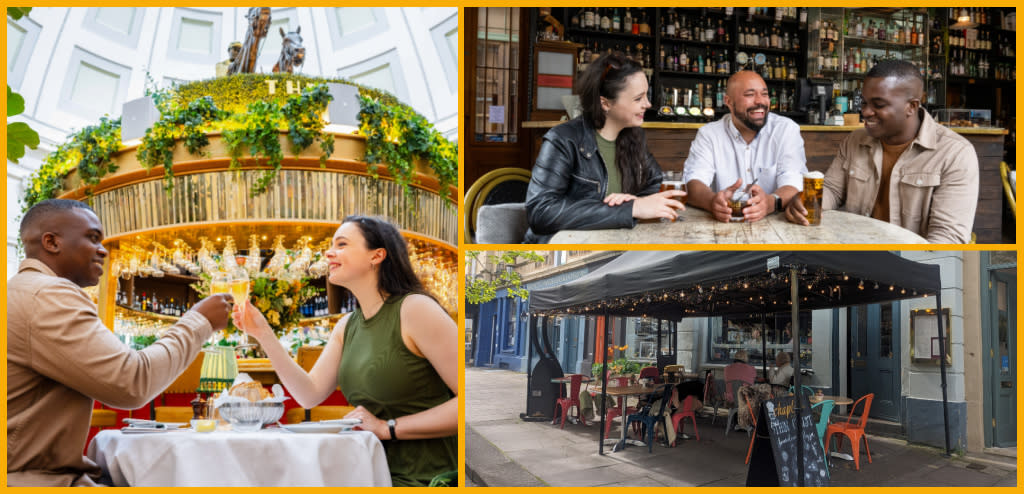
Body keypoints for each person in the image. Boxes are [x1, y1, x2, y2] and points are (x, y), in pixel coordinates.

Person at [7, 199, 233, 486]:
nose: (103, 250)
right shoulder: (49, 295)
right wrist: (200, 321)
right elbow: (132, 381)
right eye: (92, 238)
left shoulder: (20, 291)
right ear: (51, 242)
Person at [232, 216, 456, 486]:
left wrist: (388, 428)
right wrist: (263, 334)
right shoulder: (347, 325)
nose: (329, 252)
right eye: (331, 245)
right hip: (367, 472)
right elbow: (308, 394)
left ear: (377, 256)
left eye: (342, 244)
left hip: (425, 477)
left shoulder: (414, 309)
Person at [785, 60, 979, 243]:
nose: (866, 112)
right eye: (864, 103)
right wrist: (807, 201)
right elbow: (833, 191)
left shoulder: (955, 154)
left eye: (878, 105)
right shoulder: (855, 140)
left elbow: (946, 238)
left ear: (911, 106)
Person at [524, 51, 686, 243]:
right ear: (605, 103)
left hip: (613, 246)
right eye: (638, 98)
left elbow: (655, 185)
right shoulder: (563, 140)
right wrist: (629, 209)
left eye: (646, 96)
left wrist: (635, 202)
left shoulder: (634, 137)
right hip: (561, 252)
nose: (648, 104)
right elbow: (541, 212)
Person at [684, 70, 807, 222]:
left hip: (776, 228)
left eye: (764, 94)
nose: (760, 101)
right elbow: (694, 182)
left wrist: (770, 202)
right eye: (750, 95)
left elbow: (794, 182)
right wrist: (712, 201)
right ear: (728, 101)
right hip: (722, 228)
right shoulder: (709, 134)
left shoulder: (786, 130)